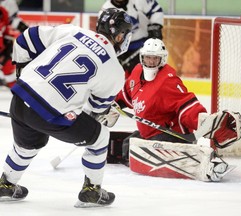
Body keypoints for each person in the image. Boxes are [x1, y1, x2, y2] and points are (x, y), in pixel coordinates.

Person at [0, 8, 132, 207]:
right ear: (120, 35)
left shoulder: (74, 31)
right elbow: (96, 111)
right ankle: (92, 189)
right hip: (51, 115)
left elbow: (27, 37)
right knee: (99, 137)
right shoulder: (114, 69)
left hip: (20, 98)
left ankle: (6, 184)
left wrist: (23, 71)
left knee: (27, 143)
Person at [114, 38, 241, 181]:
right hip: (149, 134)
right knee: (128, 145)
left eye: (155, 58)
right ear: (142, 57)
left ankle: (200, 160)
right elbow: (126, 95)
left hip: (172, 135)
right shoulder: (137, 72)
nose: (150, 61)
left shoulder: (167, 80)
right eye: (148, 57)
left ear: (162, 60)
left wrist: (204, 122)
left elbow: (186, 105)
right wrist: (111, 104)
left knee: (139, 149)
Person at [99, 0, 164, 78]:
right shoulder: (106, 10)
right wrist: (113, 53)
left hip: (143, 44)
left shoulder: (138, 1)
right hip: (120, 49)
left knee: (146, 76)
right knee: (120, 78)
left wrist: (155, 26)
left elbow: (155, 9)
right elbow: (103, 36)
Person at [0, 0, 28, 88]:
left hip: (3, 48)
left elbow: (9, 24)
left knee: (8, 68)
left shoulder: (4, 12)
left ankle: (18, 92)